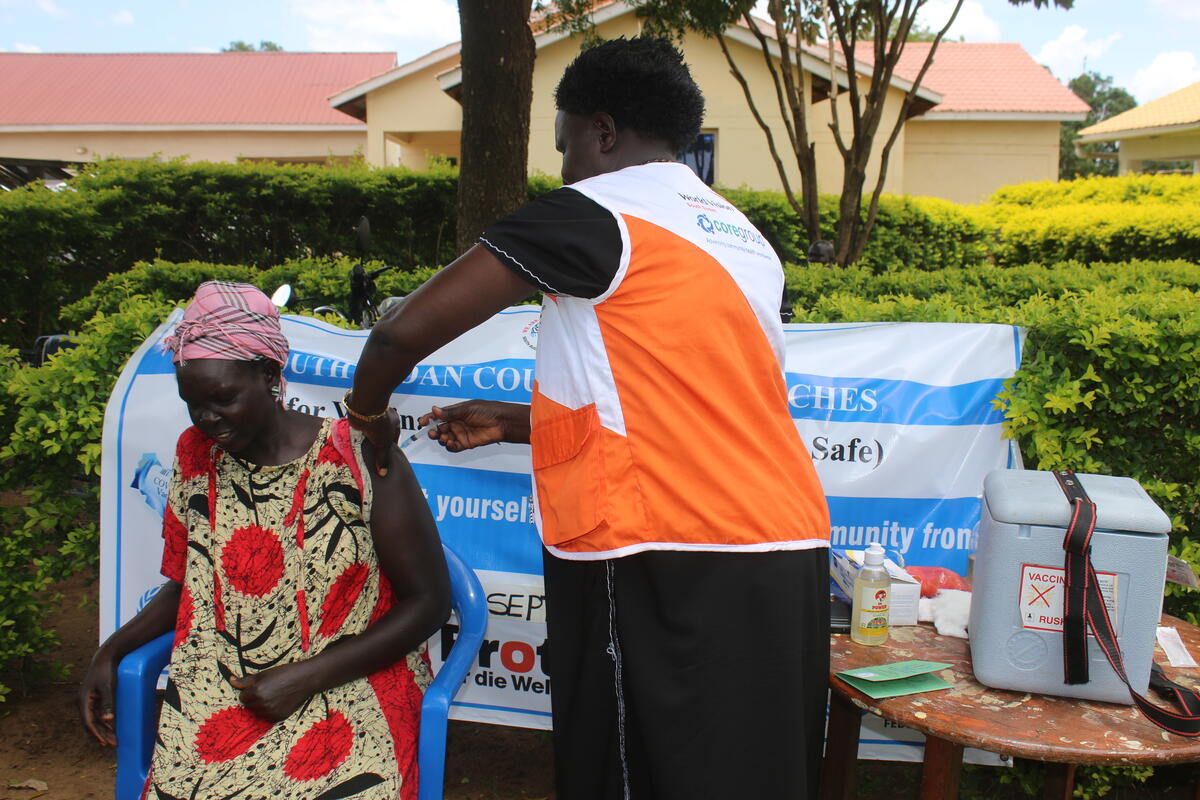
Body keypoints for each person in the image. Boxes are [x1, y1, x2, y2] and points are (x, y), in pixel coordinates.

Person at [346, 38, 831, 800]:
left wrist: (367, 415)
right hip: (784, 542)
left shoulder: (598, 213)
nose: (562, 165)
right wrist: (514, 422)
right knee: (747, 769)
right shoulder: (741, 236)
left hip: (659, 547)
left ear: (602, 132)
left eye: (565, 141)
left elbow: (401, 331)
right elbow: (683, 405)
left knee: (629, 766)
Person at [79, 281, 450, 800]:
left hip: (350, 684)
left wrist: (304, 678)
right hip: (223, 697)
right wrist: (113, 651)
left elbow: (429, 601)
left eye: (222, 399)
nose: (207, 420)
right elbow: (194, 581)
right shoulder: (195, 455)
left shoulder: (356, 454)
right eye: (193, 404)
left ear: (270, 375)